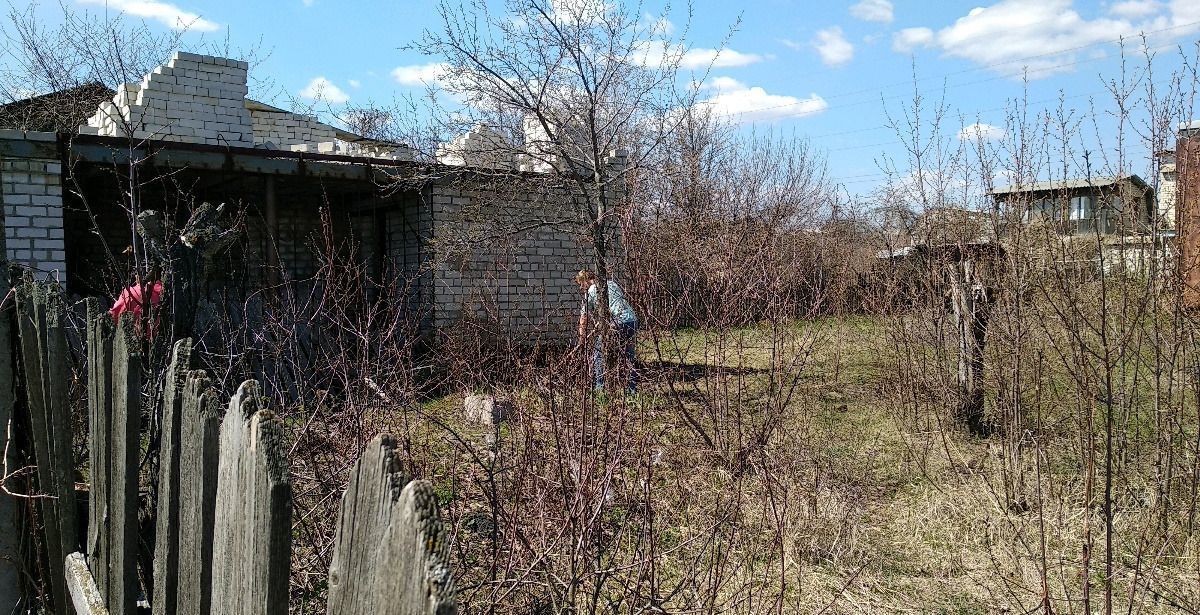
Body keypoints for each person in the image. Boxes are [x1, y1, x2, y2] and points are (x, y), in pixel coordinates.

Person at [575, 270, 639, 395]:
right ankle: (632, 390)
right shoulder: (611, 283)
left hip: (618, 323)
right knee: (628, 356)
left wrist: (582, 338)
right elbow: (614, 304)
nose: (581, 287)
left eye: (581, 283)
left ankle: (600, 388)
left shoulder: (592, 290)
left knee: (598, 354)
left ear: (586, 280)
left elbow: (584, 317)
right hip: (632, 320)